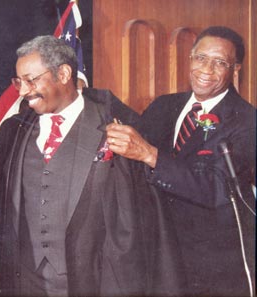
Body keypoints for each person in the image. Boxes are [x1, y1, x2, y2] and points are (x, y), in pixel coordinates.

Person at [0, 35, 149, 296]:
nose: (22, 91)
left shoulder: (117, 127)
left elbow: (135, 223)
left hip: (90, 281)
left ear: (64, 73)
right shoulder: (13, 132)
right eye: (18, 82)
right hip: (25, 281)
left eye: (31, 80)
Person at [106, 26, 256, 296]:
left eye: (219, 62)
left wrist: (150, 155)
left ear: (236, 69)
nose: (206, 69)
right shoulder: (164, 106)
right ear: (189, 59)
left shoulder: (246, 120)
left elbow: (217, 187)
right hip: (159, 252)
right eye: (200, 58)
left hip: (212, 263)